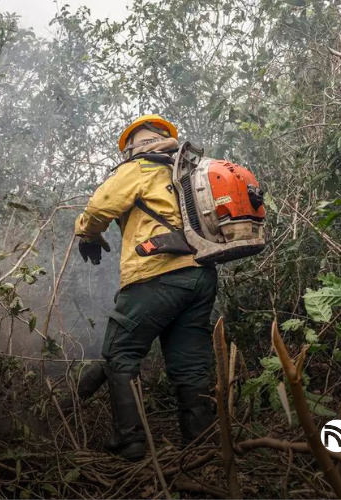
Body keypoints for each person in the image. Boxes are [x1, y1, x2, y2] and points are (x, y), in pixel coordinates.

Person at [74, 115, 218, 461]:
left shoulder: (139, 168)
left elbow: (99, 207)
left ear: (133, 147)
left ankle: (130, 441)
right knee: (190, 365)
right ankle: (202, 447)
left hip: (157, 271)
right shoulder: (187, 171)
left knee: (121, 353)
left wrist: (87, 234)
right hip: (200, 275)